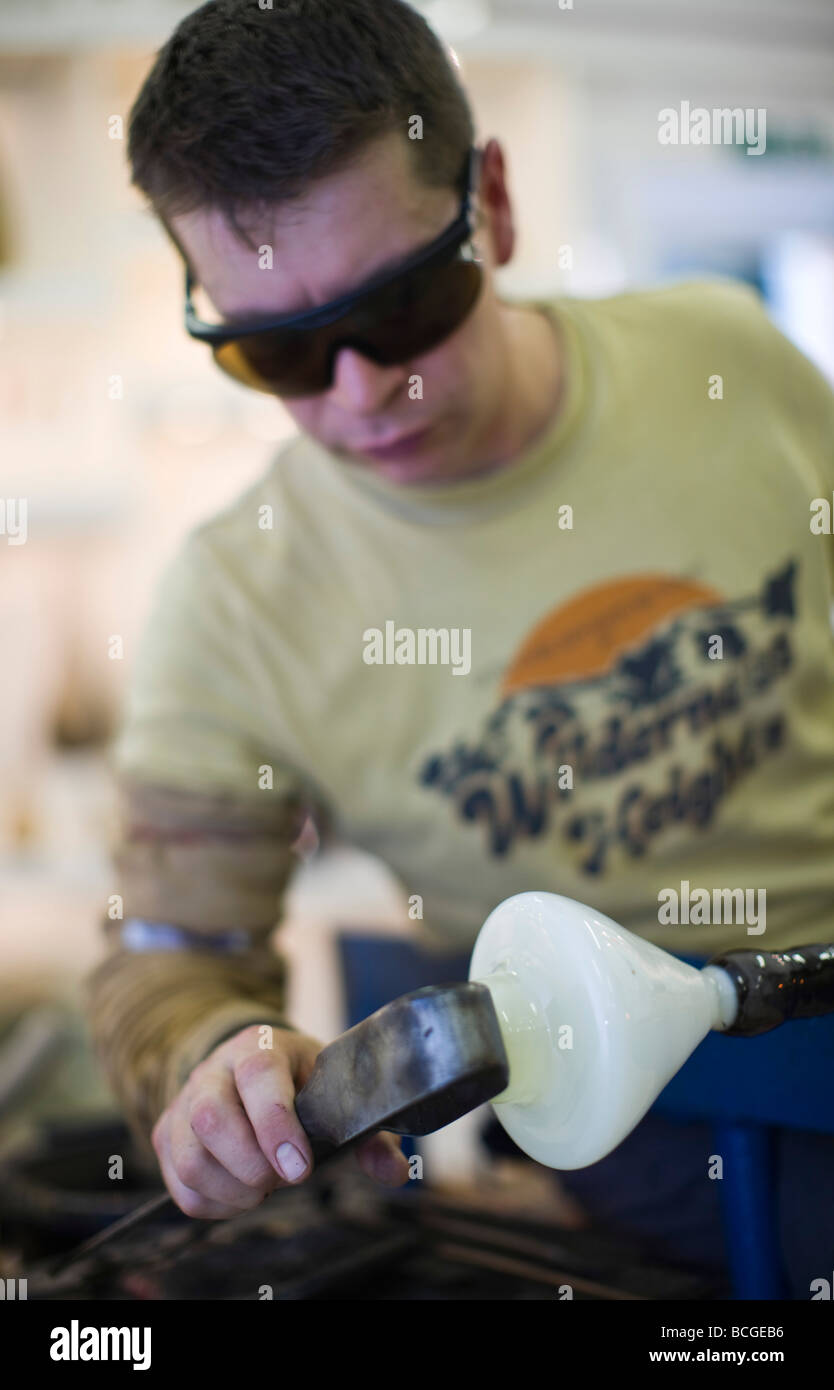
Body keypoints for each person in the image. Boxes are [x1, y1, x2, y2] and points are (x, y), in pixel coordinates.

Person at [86, 0, 834, 1293]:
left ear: (488, 203)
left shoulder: (732, 363)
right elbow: (170, 963)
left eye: (405, 303)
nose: (362, 394)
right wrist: (218, 1062)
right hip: (651, 1122)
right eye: (280, 350)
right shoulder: (233, 605)